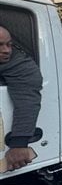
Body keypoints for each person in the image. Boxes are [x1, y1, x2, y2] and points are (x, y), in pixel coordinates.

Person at [0, 26, 43, 172]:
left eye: (9, 44)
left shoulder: (18, 63)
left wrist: (19, 144)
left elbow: (27, 97)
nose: (7, 50)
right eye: (0, 45)